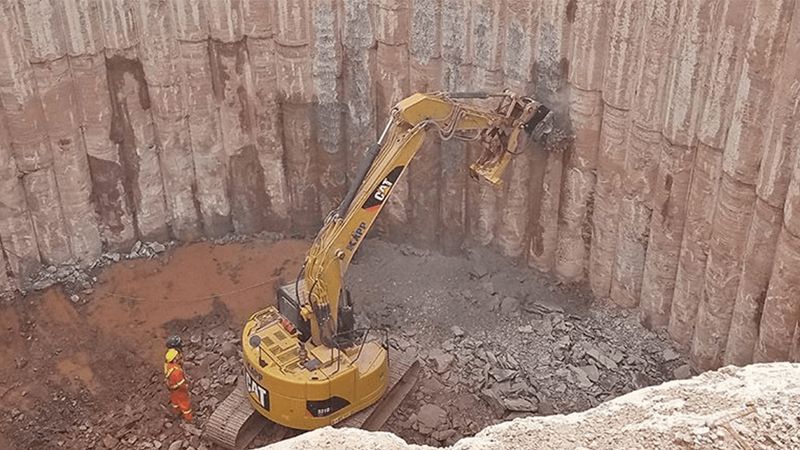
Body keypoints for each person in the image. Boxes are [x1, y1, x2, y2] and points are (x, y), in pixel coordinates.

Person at [164, 337, 193, 422]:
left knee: (175, 400)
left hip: (171, 386)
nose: (178, 357)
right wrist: (187, 387)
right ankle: (189, 419)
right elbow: (181, 384)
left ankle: (177, 412)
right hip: (179, 389)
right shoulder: (176, 371)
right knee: (185, 403)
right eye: (177, 357)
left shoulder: (168, 365)